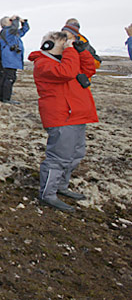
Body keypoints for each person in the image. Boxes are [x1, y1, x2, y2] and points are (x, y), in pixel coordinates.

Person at [28, 31, 98, 212]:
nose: (67, 48)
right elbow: (67, 73)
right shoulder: (43, 63)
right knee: (59, 157)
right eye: (63, 45)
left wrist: (81, 51)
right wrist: (70, 52)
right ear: (48, 46)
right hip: (62, 117)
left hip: (76, 115)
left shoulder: (67, 60)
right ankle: (48, 193)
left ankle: (60, 186)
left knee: (75, 154)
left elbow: (89, 69)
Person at [0, 15, 29, 104]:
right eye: (10, 20)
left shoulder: (13, 33)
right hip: (10, 58)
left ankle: (2, 97)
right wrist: (16, 19)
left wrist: (23, 22)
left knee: (7, 77)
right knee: (9, 78)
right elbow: (14, 27)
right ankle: (6, 98)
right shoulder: (7, 32)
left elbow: (25, 30)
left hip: (13, 58)